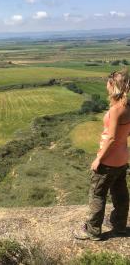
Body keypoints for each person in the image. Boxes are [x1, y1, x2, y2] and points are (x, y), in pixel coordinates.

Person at [73, 69, 130, 241]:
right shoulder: (128, 107)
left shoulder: (116, 110)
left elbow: (111, 137)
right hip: (122, 158)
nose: (106, 86)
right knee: (120, 194)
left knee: (97, 194)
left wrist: (99, 159)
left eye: (108, 83)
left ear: (113, 86)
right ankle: (119, 226)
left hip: (108, 161)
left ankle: (92, 231)